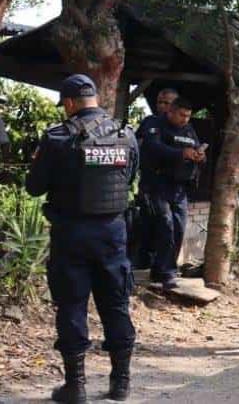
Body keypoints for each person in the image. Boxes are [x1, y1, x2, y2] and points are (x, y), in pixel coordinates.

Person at [25, 74, 138, 402]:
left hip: (71, 234)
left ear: (70, 103)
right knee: (116, 303)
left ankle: (76, 386)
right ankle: (121, 383)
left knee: (72, 305)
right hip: (113, 233)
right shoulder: (126, 135)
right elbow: (130, 177)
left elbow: (34, 188)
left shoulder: (58, 138)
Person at [139, 97, 205, 289]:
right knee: (165, 226)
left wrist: (199, 155)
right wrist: (180, 153)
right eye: (182, 115)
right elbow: (152, 147)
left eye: (188, 116)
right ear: (171, 111)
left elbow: (195, 148)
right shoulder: (155, 124)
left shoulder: (189, 130)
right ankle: (164, 272)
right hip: (158, 185)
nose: (185, 119)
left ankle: (164, 270)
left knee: (179, 227)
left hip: (180, 188)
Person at [130, 88, 179, 268]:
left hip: (175, 187)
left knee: (173, 228)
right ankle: (145, 263)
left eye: (167, 103)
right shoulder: (149, 122)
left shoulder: (184, 128)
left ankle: (165, 267)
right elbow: (135, 146)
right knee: (148, 225)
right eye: (160, 102)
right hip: (151, 184)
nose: (162, 106)